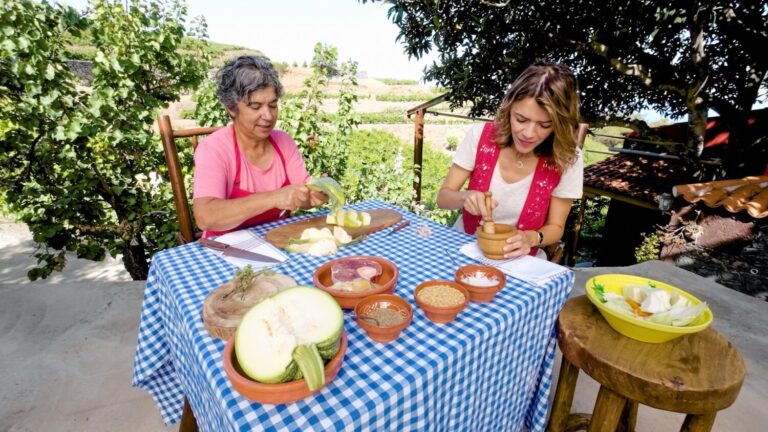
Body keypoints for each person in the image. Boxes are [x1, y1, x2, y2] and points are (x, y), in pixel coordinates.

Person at [436, 62, 584, 260]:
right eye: (521, 119)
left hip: (521, 258)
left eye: (544, 125)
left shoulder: (567, 158)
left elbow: (556, 227)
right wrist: (465, 197)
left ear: (559, 124)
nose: (529, 133)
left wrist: (531, 238)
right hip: (464, 244)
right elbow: (443, 199)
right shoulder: (480, 137)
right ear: (509, 108)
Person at [193, 56, 327, 238]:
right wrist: (274, 198)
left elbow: (302, 198)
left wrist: (316, 195)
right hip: (225, 252)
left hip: (278, 243)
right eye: (255, 106)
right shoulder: (214, 148)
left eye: (273, 105)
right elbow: (206, 216)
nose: (268, 116)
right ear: (231, 108)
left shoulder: (284, 142)